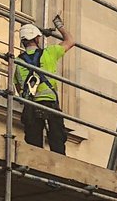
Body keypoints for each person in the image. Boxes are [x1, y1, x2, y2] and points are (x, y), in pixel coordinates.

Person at [14, 15, 75, 154]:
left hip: (31, 106)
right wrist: (59, 25)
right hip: (50, 104)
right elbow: (70, 41)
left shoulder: (17, 62)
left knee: (33, 147)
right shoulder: (49, 53)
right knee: (57, 143)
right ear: (36, 38)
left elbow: (18, 88)